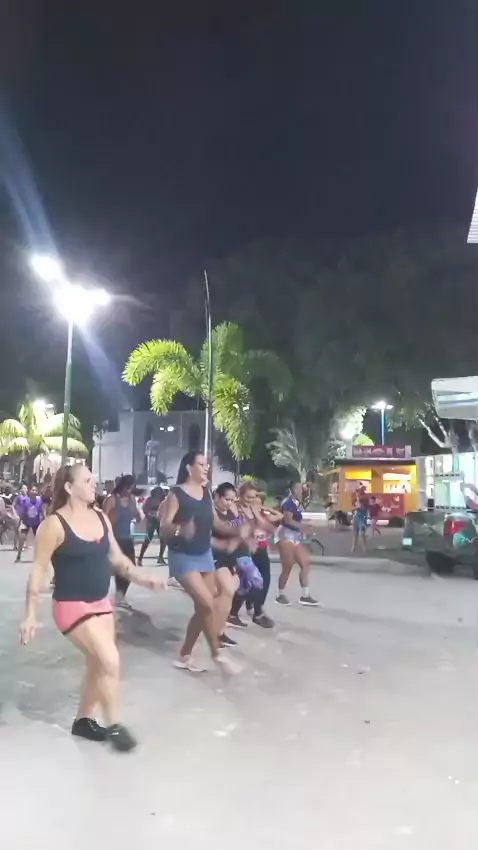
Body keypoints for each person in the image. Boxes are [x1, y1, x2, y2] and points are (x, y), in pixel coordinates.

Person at [19, 464, 166, 752]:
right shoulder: (54, 525)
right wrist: (30, 614)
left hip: (101, 602)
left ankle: (83, 721)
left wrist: (144, 577)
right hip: (71, 605)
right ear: (69, 487)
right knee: (109, 659)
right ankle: (115, 725)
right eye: (87, 481)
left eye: (93, 480)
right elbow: (38, 569)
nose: (94, 484)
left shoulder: (100, 517)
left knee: (96, 663)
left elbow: (118, 560)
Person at [160, 452, 247, 673]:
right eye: (201, 464)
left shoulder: (206, 492)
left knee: (206, 605)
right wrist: (180, 529)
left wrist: (238, 530)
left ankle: (184, 655)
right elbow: (164, 527)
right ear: (189, 468)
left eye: (206, 464)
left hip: (204, 554)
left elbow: (216, 523)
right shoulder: (176, 494)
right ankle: (217, 654)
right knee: (207, 603)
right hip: (182, 556)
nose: (206, 467)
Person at [227, 482, 276, 629]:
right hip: (238, 550)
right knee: (255, 580)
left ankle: (233, 614)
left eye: (253, 497)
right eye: (248, 497)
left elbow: (262, 523)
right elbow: (233, 529)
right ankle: (256, 613)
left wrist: (274, 531)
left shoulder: (252, 507)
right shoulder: (234, 507)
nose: (251, 500)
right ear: (240, 495)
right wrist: (248, 540)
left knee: (247, 584)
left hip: (251, 549)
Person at [276, 481, 319, 606]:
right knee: (288, 565)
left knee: (305, 564)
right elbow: (288, 520)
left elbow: (296, 519)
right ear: (291, 490)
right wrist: (303, 527)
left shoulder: (296, 502)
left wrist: (304, 525)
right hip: (285, 535)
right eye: (297, 488)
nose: (300, 491)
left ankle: (305, 596)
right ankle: (280, 595)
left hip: (295, 536)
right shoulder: (288, 503)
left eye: (301, 488)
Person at [104, 475, 141, 609]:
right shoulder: (111, 500)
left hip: (127, 539)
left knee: (129, 568)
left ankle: (120, 594)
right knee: (113, 569)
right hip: (114, 539)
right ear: (123, 487)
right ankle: (114, 596)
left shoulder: (131, 500)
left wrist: (138, 517)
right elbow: (103, 518)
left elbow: (137, 515)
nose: (130, 490)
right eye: (129, 488)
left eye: (132, 488)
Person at [137, 486, 167, 566]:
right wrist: (151, 513)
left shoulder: (163, 500)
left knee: (163, 539)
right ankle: (140, 558)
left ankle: (160, 557)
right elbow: (144, 510)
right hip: (151, 521)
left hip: (160, 521)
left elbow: (165, 510)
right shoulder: (150, 500)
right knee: (148, 539)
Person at [15, 484, 43, 563]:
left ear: (37, 492)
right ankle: (18, 556)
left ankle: (39, 557)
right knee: (22, 538)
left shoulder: (40, 501)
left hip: (36, 523)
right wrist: (19, 523)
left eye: (35, 490)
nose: (34, 491)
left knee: (39, 540)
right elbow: (22, 513)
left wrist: (44, 522)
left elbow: (42, 512)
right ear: (30, 491)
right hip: (26, 522)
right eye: (32, 490)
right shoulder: (25, 501)